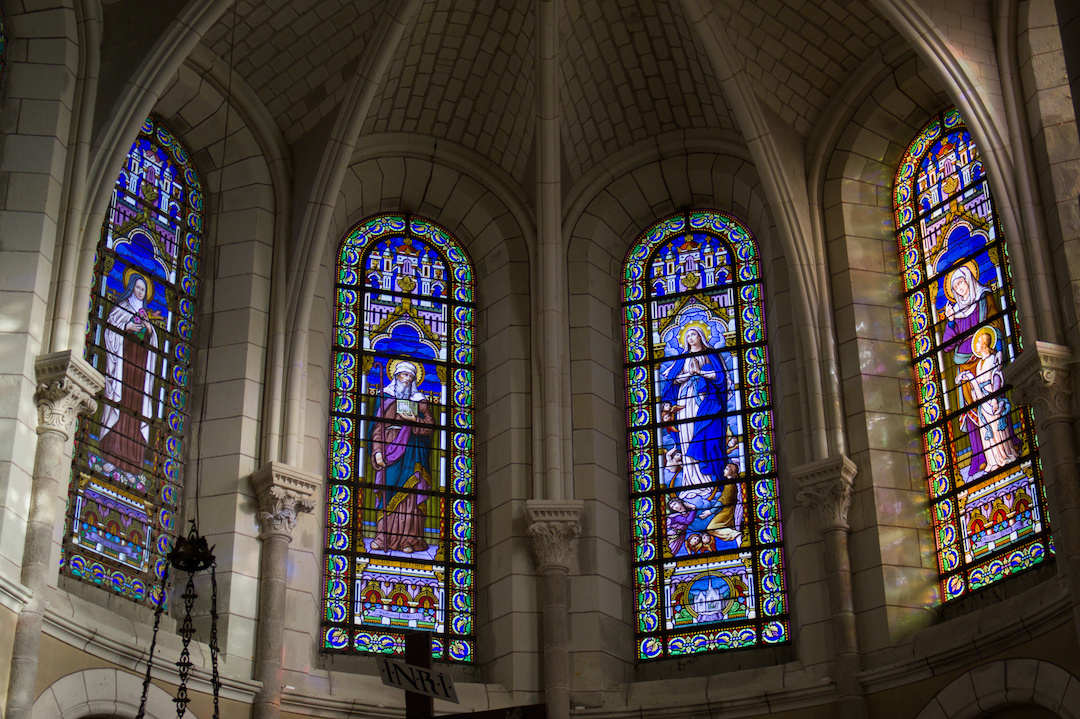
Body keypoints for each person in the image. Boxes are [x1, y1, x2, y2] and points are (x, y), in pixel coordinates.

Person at [369, 360, 434, 554]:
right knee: (387, 491)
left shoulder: (419, 400)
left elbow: (430, 425)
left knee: (410, 496)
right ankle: (383, 537)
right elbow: (378, 427)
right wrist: (378, 451)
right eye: (403, 375)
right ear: (396, 377)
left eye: (410, 377)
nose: (406, 379)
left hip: (412, 451)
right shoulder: (386, 397)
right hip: (389, 448)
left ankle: (409, 539)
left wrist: (414, 420)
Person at [99, 272, 160, 475]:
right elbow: (110, 330)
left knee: (136, 413)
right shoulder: (122, 308)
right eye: (138, 288)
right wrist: (127, 326)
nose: (141, 292)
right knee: (121, 408)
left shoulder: (146, 315)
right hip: (123, 369)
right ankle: (112, 457)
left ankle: (131, 466)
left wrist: (149, 329)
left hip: (139, 373)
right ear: (131, 287)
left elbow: (153, 343)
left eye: (144, 289)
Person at [660, 325, 731, 487]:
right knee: (686, 435)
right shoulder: (683, 358)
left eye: (693, 334)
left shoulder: (710, 355)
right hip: (685, 401)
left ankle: (707, 480)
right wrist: (688, 375)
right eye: (688, 336)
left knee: (704, 432)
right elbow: (672, 380)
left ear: (700, 336)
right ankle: (690, 480)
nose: (690, 338)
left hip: (705, 400)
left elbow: (720, 378)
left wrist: (700, 372)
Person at [956, 327, 1020, 476]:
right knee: (986, 430)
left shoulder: (993, 359)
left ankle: (1003, 456)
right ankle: (993, 461)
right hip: (982, 401)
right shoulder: (979, 364)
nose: (976, 345)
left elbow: (996, 376)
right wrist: (971, 382)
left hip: (991, 398)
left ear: (984, 344)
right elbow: (978, 382)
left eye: (978, 342)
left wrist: (995, 398)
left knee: (996, 429)